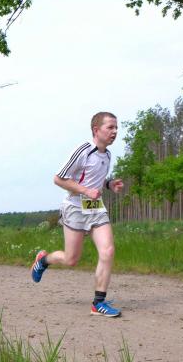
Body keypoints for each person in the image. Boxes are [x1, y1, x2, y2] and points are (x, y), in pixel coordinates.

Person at [31, 111, 125, 317]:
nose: (115, 131)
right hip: (75, 207)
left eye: (116, 128)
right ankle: (43, 260)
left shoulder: (107, 155)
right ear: (96, 130)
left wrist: (109, 184)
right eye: (110, 127)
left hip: (95, 207)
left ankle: (98, 303)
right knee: (71, 259)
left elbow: (94, 179)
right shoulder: (83, 150)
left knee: (108, 251)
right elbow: (58, 178)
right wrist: (85, 191)